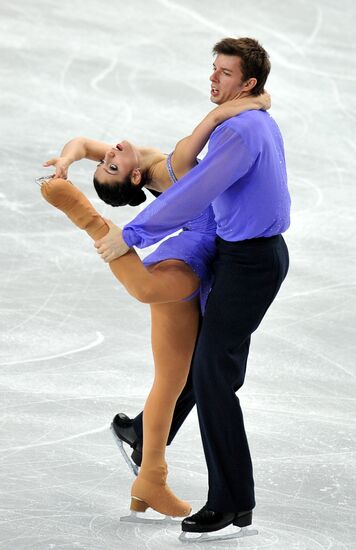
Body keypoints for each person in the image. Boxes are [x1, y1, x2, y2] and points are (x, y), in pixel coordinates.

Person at [92, 36, 291, 540]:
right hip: (235, 254)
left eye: (225, 73)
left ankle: (230, 501)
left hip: (250, 263)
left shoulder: (241, 132)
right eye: (214, 69)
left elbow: (193, 190)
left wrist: (130, 235)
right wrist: (219, 115)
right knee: (208, 366)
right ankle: (143, 431)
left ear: (248, 83)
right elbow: (183, 161)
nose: (213, 78)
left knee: (212, 376)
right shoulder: (239, 122)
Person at [41, 92, 269, 520]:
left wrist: (65, 163)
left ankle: (150, 480)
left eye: (105, 161)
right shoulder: (163, 171)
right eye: (111, 164)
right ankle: (92, 222)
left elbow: (84, 143)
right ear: (131, 181)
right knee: (145, 290)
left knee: (171, 379)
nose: (108, 154)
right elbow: (192, 150)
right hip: (195, 252)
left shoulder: (130, 158)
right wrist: (226, 111)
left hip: (194, 251)